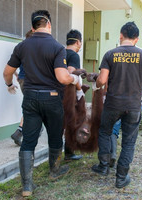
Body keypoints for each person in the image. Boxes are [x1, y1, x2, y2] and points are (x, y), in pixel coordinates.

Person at [3, 10, 79, 197]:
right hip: (52, 98)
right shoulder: (57, 47)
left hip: (29, 98)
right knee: (55, 136)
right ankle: (54, 171)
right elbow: (62, 77)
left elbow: (7, 71)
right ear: (49, 25)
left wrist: (9, 85)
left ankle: (27, 185)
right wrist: (75, 79)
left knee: (29, 140)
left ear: (32, 27)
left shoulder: (22, 46)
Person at [90, 22, 142, 188]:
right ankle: (121, 177)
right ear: (136, 39)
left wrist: (97, 84)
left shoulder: (110, 54)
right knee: (129, 141)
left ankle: (104, 167)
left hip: (113, 104)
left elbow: (102, 79)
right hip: (134, 105)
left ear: (120, 36)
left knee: (105, 132)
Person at [109, 76, 142, 168]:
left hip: (118, 100)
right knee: (130, 135)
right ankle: (123, 168)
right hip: (135, 102)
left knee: (113, 129)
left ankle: (112, 154)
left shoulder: (118, 62)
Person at [63, 29, 84, 161]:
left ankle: (56, 157)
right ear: (77, 42)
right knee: (71, 123)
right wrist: (79, 88)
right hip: (68, 94)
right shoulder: (74, 55)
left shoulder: (59, 53)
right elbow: (70, 73)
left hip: (56, 92)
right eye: (80, 42)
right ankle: (69, 154)